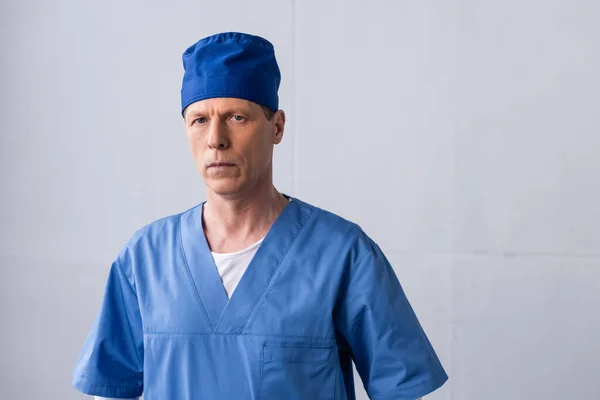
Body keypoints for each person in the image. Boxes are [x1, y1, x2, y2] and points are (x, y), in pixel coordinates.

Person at [72, 31, 448, 400]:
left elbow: (401, 387)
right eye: (199, 119)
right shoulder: (146, 258)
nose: (216, 138)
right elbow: (110, 391)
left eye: (237, 117)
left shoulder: (342, 255)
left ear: (277, 126)